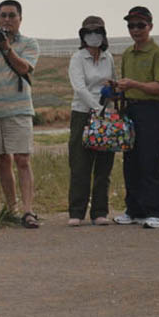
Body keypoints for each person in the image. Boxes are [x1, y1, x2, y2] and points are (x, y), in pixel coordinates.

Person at [0, 0, 40, 228]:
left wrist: (6, 47)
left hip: (19, 109)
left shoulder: (29, 43)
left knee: (22, 159)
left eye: (12, 15)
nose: (7, 20)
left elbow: (24, 68)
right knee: (2, 160)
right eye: (3, 15)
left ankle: (28, 210)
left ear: (20, 18)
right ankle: (11, 208)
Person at [114, 6, 159, 229]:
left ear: (150, 26)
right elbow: (127, 85)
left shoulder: (158, 53)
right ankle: (135, 210)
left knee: (150, 160)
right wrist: (117, 89)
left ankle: (157, 212)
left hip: (152, 110)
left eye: (140, 25)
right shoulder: (128, 53)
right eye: (131, 25)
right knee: (131, 161)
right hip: (130, 109)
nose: (135, 30)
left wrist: (133, 84)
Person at [67, 16, 116, 227]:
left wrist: (111, 99)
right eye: (89, 32)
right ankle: (77, 211)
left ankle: (100, 211)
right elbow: (79, 87)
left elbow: (112, 81)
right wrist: (97, 109)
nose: (93, 36)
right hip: (83, 112)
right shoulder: (77, 58)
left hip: (106, 112)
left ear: (103, 35)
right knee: (80, 164)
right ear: (83, 35)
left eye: (97, 32)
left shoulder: (108, 57)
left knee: (103, 165)